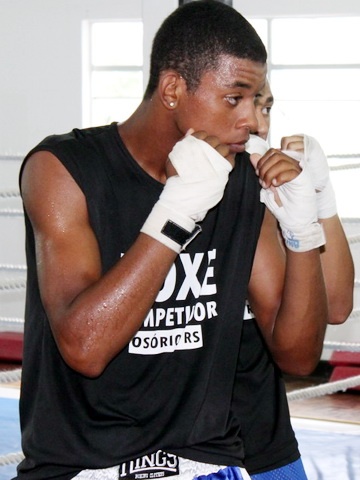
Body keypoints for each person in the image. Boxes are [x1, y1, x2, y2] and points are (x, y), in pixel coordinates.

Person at [15, 2, 331, 479]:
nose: (257, 123)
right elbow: (85, 348)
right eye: (234, 98)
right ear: (172, 89)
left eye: (258, 101)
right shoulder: (64, 169)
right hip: (83, 465)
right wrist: (175, 213)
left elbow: (298, 355)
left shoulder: (239, 178)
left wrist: (305, 230)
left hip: (204, 460)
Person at [234, 80, 354, 479]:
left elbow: (336, 307)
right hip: (185, 442)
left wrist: (319, 194)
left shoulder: (271, 195)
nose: (255, 123)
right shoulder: (170, 194)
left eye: (265, 107)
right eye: (236, 101)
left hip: (266, 436)